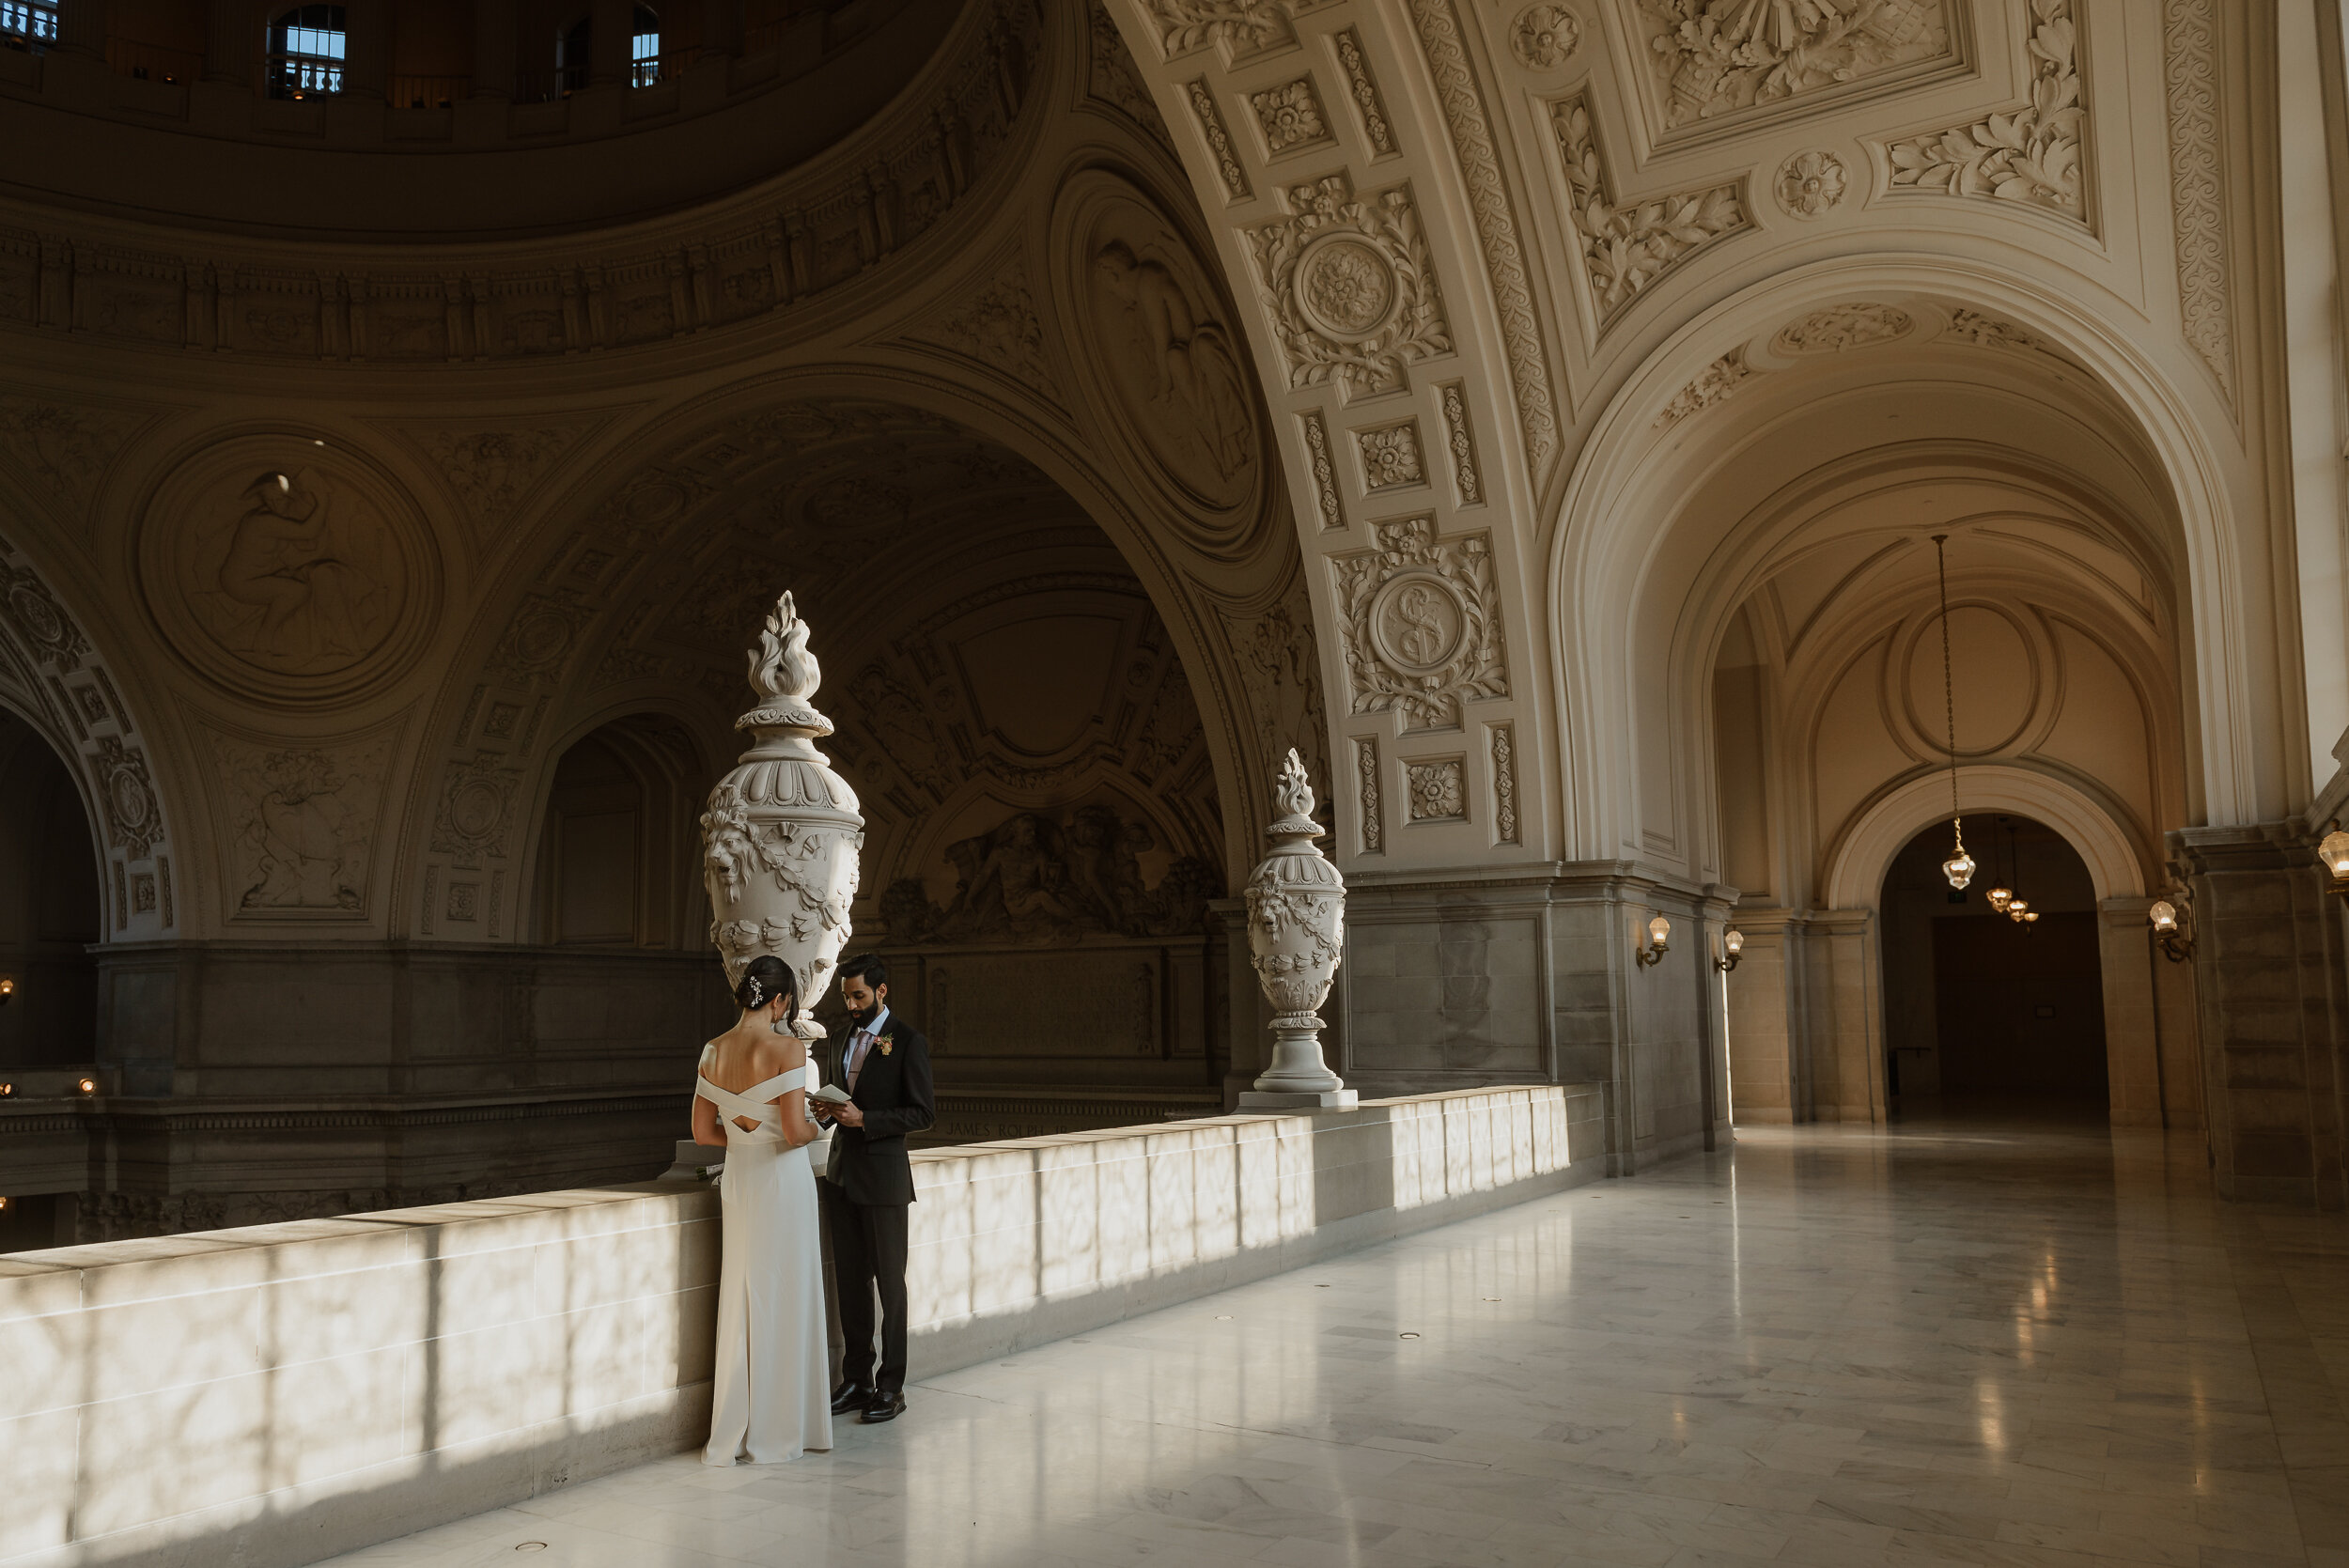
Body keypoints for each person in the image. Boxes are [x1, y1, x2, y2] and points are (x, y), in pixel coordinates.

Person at [692, 955, 831, 1465]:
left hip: (741, 1181)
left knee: (743, 1292)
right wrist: (824, 1124)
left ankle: (736, 1428)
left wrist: (744, 1134)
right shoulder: (788, 1047)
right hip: (783, 1182)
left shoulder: (713, 1049)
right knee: (788, 1292)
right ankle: (783, 1427)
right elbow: (796, 1132)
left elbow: (704, 1133)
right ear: (779, 1000)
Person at [815, 953, 934, 1424]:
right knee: (850, 1284)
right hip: (842, 1176)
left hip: (885, 1182)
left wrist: (867, 1120)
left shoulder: (907, 1042)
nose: (851, 1004)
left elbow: (923, 1113)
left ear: (881, 991)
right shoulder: (841, 1037)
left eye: (859, 995)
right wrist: (827, 1110)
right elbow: (842, 1094)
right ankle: (857, 1380)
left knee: (891, 1286)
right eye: (846, 996)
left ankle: (892, 1386)